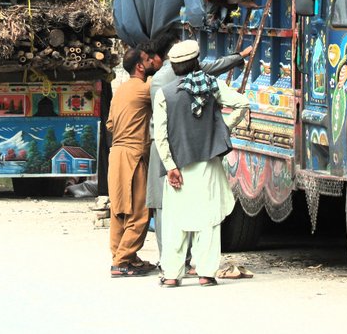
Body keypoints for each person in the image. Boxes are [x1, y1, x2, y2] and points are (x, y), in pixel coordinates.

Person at [153, 39, 250, 287]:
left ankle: (172, 276)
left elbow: (161, 136)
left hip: (178, 168)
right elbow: (242, 103)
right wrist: (222, 130)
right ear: (196, 62)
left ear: (174, 67)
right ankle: (206, 273)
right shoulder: (211, 85)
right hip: (207, 165)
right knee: (207, 220)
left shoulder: (164, 94)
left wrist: (171, 166)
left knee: (175, 221)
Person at [106, 47, 156, 278]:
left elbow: (110, 125)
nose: (152, 61)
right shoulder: (143, 89)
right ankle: (122, 261)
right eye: (148, 59)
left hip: (116, 153)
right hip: (132, 155)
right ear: (139, 65)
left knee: (119, 210)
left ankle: (124, 256)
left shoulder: (121, 90)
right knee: (139, 212)